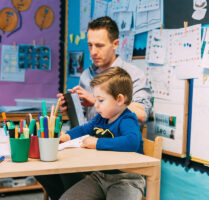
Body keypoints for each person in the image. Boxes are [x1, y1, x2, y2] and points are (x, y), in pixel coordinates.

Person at [36, 16, 152, 199]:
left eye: (99, 45)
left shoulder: (132, 76)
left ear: (115, 44)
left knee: (61, 167)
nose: (93, 52)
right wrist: (71, 108)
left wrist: (96, 100)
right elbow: (85, 124)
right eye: (90, 45)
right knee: (45, 164)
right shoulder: (87, 75)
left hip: (117, 162)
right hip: (91, 155)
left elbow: (142, 114)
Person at [59, 67, 145, 200]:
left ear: (119, 99)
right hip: (100, 177)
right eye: (96, 100)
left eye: (101, 100)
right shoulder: (102, 117)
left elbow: (131, 142)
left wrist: (97, 143)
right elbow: (84, 129)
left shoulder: (127, 119)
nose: (96, 105)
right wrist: (67, 136)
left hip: (127, 179)